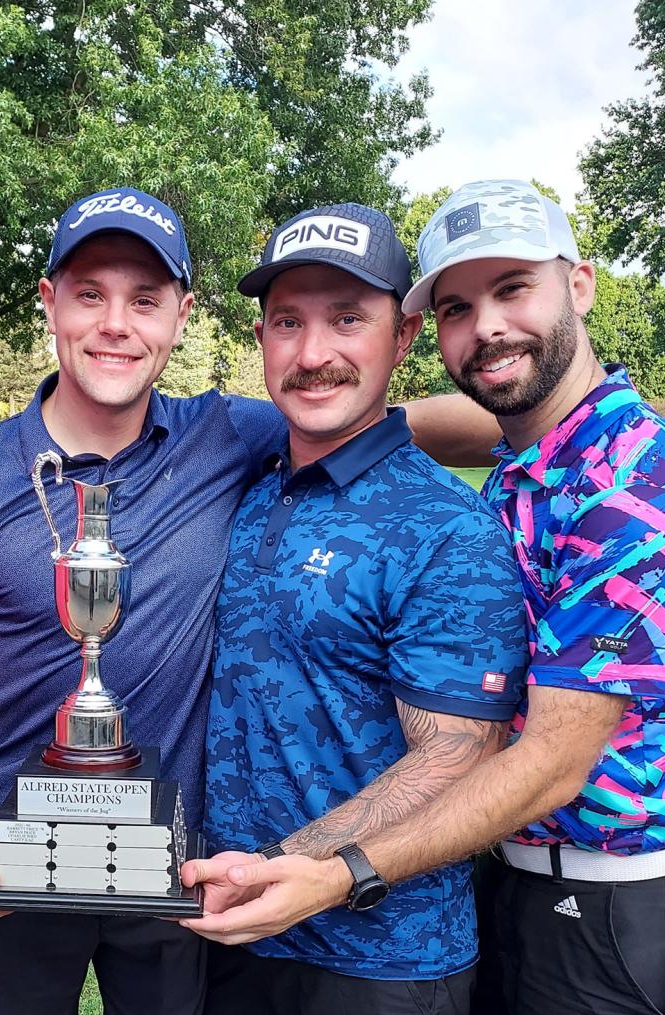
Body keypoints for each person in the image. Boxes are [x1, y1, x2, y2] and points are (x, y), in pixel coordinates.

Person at [190, 180, 665, 1015]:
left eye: (514, 288)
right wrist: (356, 418)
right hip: (509, 871)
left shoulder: (638, 488)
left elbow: (552, 761)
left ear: (580, 285)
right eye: (459, 306)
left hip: (614, 898)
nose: (487, 326)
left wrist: (340, 871)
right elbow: (420, 420)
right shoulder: (537, 450)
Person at [0, 186, 288, 1014]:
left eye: (145, 299)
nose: (117, 324)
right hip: (14, 861)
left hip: (165, 862)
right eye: (90, 294)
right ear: (49, 303)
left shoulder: (226, 437)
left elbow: (365, 417)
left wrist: (515, 427)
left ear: (181, 316)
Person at [178, 204, 529, 1014]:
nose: (314, 354)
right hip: (239, 932)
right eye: (287, 322)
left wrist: (282, 863)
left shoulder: (445, 528)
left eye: (348, 319)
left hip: (381, 957)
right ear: (260, 337)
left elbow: (457, 756)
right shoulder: (255, 483)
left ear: (402, 338)